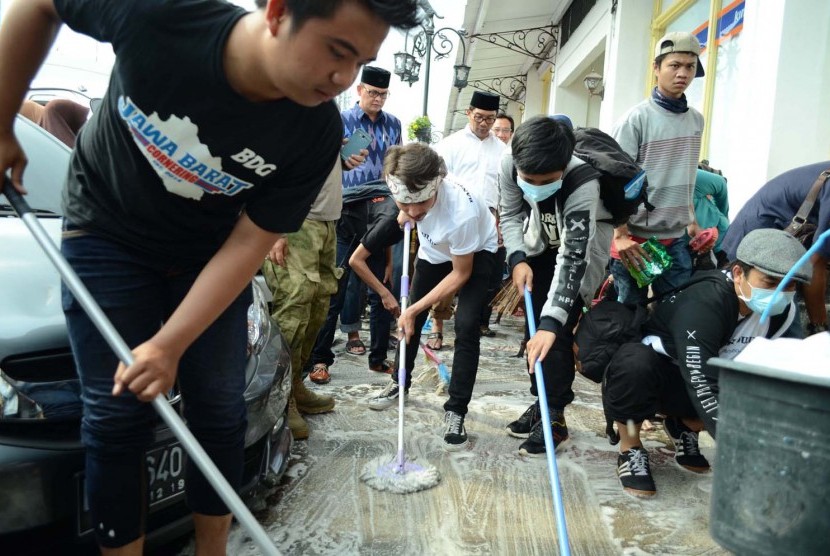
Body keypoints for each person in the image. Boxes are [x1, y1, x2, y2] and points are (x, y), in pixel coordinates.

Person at [0, 0, 419, 553]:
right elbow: (40, 6)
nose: (342, 79)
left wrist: (170, 343)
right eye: (335, 52)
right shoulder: (161, 19)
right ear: (278, 11)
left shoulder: (314, 132)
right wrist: (4, 118)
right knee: (115, 418)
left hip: (208, 253)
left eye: (359, 62)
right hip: (107, 236)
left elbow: (250, 241)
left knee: (220, 413)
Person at [603, 229, 809, 497]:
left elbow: (789, 372)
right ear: (738, 274)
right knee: (635, 366)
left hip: (703, 377)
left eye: (791, 285)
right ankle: (630, 447)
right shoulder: (706, 301)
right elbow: (701, 381)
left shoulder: (783, 312)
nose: (781, 292)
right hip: (661, 377)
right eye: (770, 282)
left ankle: (683, 427)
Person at [367, 143, 498, 452]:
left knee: (466, 326)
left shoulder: (460, 213)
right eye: (404, 204)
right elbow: (408, 209)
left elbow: (460, 274)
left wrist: (413, 308)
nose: (413, 211)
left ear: (436, 186)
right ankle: (399, 383)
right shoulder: (409, 199)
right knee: (410, 321)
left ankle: (456, 410)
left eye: (421, 203)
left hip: (477, 254)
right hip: (432, 254)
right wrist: (404, 213)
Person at [499, 115, 614, 456]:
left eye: (546, 180)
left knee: (555, 335)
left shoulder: (583, 181)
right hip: (539, 248)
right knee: (531, 334)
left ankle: (555, 416)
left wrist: (552, 323)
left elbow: (574, 256)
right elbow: (509, 214)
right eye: (528, 179)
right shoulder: (509, 163)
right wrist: (517, 258)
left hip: (579, 255)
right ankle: (542, 401)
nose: (535, 185)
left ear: (564, 166)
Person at [309, 65, 402, 383]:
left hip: (381, 207)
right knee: (335, 287)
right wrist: (343, 158)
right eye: (373, 93)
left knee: (380, 288)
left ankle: (378, 358)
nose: (377, 99)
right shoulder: (341, 119)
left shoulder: (394, 124)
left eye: (383, 94)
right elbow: (323, 159)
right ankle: (319, 360)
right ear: (360, 90)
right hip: (345, 205)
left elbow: (396, 165)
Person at [610, 31, 706, 305]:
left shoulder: (695, 121)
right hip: (635, 239)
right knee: (629, 315)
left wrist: (693, 222)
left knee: (675, 313)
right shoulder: (635, 120)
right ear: (656, 68)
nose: (682, 74)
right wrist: (620, 234)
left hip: (676, 237)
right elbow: (614, 180)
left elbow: (685, 174)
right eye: (674, 65)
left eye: (689, 66)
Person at [261, 157, 341, 440]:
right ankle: (279, 398)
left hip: (326, 220)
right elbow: (268, 162)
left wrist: (341, 157)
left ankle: (294, 385)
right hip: (295, 221)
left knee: (318, 306)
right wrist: (276, 228)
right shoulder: (283, 112)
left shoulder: (324, 117)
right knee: (293, 309)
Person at [429, 91, 506, 344]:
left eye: (490, 119)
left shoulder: (503, 151)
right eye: (480, 117)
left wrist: (501, 220)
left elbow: (505, 189)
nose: (484, 124)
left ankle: (468, 325)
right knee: (446, 274)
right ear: (469, 113)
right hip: (455, 219)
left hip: (487, 223)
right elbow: (437, 180)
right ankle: (437, 325)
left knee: (480, 277)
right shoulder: (450, 145)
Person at [721, 161, 830, 336]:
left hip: (784, 239)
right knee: (778, 319)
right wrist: (820, 329)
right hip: (759, 237)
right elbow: (815, 265)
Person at [692, 167, 730, 269]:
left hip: (719, 243)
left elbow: (721, 183)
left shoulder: (692, 176)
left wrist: (723, 215)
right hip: (685, 248)